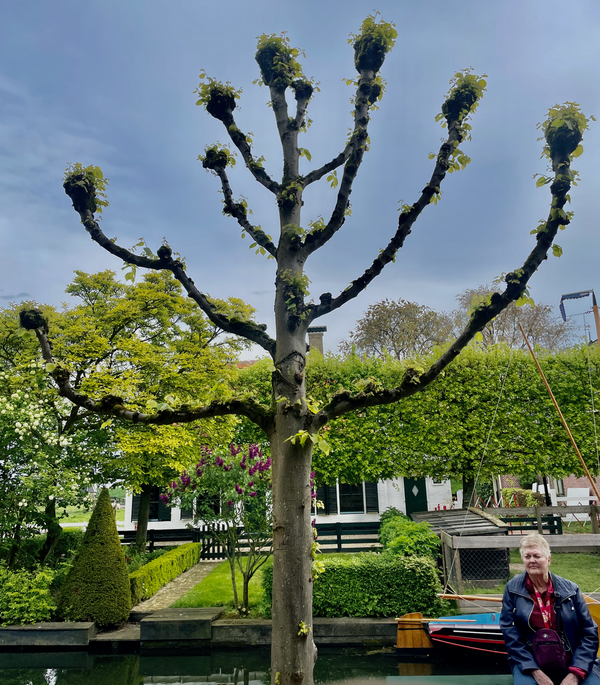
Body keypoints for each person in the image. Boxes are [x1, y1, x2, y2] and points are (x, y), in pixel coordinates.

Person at [500, 533, 600, 685]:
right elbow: (510, 634)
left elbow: (590, 634)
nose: (532, 560)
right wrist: (535, 672)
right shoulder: (512, 589)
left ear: (549, 560)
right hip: (531, 662)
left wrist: (575, 673)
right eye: (527, 556)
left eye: (537, 556)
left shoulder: (571, 590)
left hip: (573, 659)